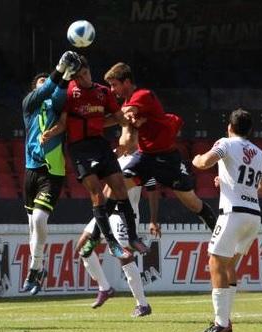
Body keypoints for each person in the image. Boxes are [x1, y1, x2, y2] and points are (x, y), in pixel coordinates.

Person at [41, 56, 148, 259]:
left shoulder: (103, 92)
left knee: (119, 188)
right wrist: (51, 133)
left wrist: (135, 120)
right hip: (79, 148)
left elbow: (119, 118)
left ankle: (133, 237)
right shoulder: (70, 93)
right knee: (97, 194)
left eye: (85, 74)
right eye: (78, 77)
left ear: (89, 71)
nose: (83, 79)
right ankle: (111, 242)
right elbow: (64, 123)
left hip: (100, 145)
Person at [103, 62, 218, 233]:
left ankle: (218, 235)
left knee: (194, 204)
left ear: (126, 82)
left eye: (114, 85)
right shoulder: (126, 104)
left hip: (167, 159)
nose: (112, 90)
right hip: (145, 158)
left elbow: (120, 119)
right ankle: (99, 235)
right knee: (114, 187)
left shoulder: (142, 95)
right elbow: (126, 136)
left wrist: (93, 122)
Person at [192, 108, 262, 332]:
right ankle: (225, 321)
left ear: (229, 127)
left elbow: (205, 162)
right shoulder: (260, 153)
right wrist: (230, 183)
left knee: (215, 262)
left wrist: (196, 159)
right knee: (228, 266)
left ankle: (221, 323)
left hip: (233, 213)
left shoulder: (226, 143)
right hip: (253, 215)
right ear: (250, 130)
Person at [75, 124, 160, 317]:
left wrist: (154, 219)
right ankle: (105, 288)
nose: (123, 136)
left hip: (123, 214)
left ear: (136, 137)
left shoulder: (141, 160)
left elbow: (153, 189)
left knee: (125, 257)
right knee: (82, 247)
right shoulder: (115, 157)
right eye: (122, 133)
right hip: (105, 211)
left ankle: (142, 304)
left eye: (128, 133)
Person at [20, 51, 81, 295]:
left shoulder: (56, 107)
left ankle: (35, 267)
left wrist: (66, 74)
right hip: (30, 171)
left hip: (52, 171)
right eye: (40, 82)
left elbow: (56, 95)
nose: (45, 84)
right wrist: (60, 68)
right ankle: (38, 269)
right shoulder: (29, 105)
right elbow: (46, 91)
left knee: (39, 220)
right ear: (33, 89)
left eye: (48, 79)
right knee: (32, 229)